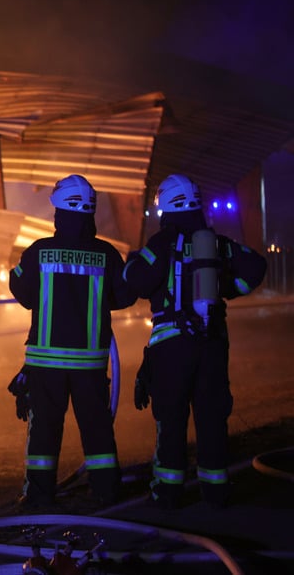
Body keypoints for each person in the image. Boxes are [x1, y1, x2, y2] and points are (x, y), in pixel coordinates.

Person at [123, 174, 266, 509]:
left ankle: (168, 493)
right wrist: (227, 288)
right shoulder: (218, 244)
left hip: (172, 346)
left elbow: (137, 281)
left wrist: (132, 260)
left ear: (167, 207)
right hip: (213, 344)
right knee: (212, 418)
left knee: (171, 420)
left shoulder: (163, 243)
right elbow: (255, 268)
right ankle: (215, 491)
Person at [8, 174, 137, 508]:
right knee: (97, 429)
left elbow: (22, 292)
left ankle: (38, 497)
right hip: (90, 365)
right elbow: (123, 297)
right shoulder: (106, 254)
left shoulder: (39, 252)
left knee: (44, 432)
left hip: (46, 364)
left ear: (59, 213)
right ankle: (107, 491)